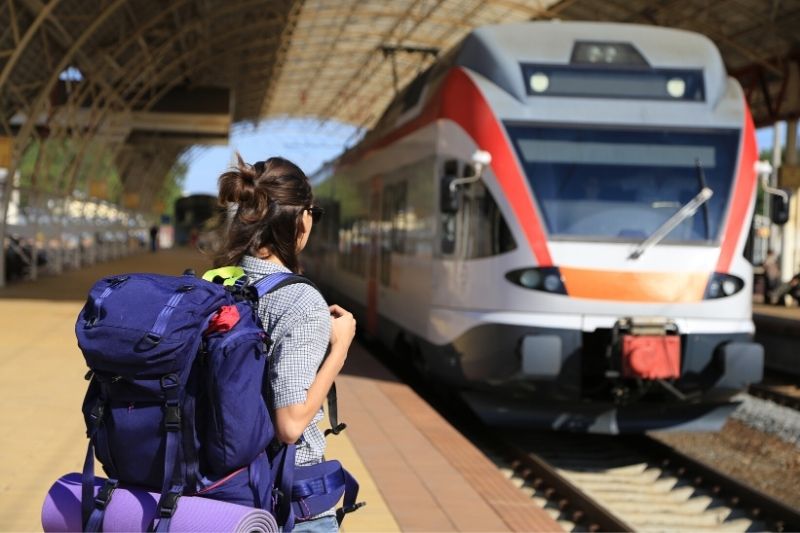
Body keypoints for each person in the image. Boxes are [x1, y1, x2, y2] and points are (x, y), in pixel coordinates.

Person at [212, 155, 356, 532]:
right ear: (301, 219)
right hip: (287, 499)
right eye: (313, 213)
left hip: (224, 486)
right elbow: (290, 425)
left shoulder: (222, 281)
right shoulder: (300, 300)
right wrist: (339, 348)